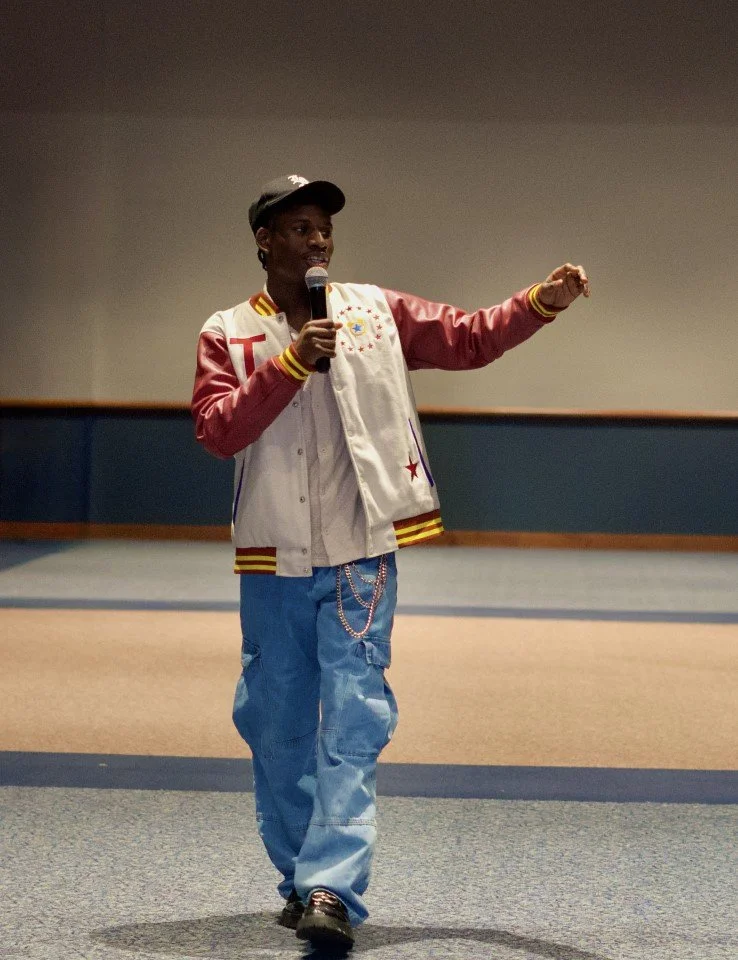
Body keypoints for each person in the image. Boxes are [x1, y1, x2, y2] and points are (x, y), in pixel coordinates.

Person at [191, 174, 590, 948]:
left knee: (353, 719)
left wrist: (541, 301)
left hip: (360, 557)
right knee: (273, 724)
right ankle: (298, 874)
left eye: (324, 230)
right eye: (300, 228)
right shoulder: (228, 331)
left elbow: (470, 337)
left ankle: (332, 890)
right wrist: (288, 366)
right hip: (272, 560)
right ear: (265, 242)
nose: (317, 241)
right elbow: (216, 431)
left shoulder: (375, 312)